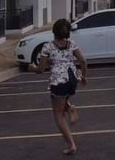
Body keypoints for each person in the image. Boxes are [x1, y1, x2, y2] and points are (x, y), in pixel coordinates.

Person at [32, 18, 88, 155]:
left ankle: (71, 145)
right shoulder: (72, 44)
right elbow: (83, 60)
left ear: (54, 32)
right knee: (62, 100)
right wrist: (84, 77)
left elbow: (40, 69)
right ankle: (71, 108)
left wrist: (30, 68)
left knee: (58, 114)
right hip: (72, 79)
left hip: (59, 81)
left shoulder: (48, 47)